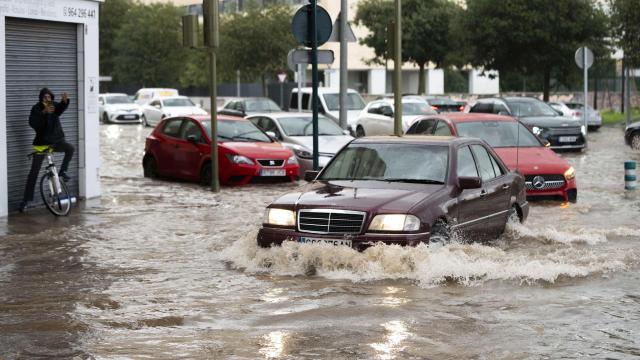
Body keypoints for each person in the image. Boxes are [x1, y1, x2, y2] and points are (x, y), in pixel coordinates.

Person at [19, 88, 74, 212]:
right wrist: (43, 112)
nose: (47, 99)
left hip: (55, 141)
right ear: (41, 98)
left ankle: (62, 172)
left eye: (49, 97)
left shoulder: (54, 106)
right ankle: (25, 201)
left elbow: (60, 109)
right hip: (42, 144)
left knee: (70, 148)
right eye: (45, 97)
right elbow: (33, 123)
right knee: (34, 172)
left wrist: (65, 102)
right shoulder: (36, 108)